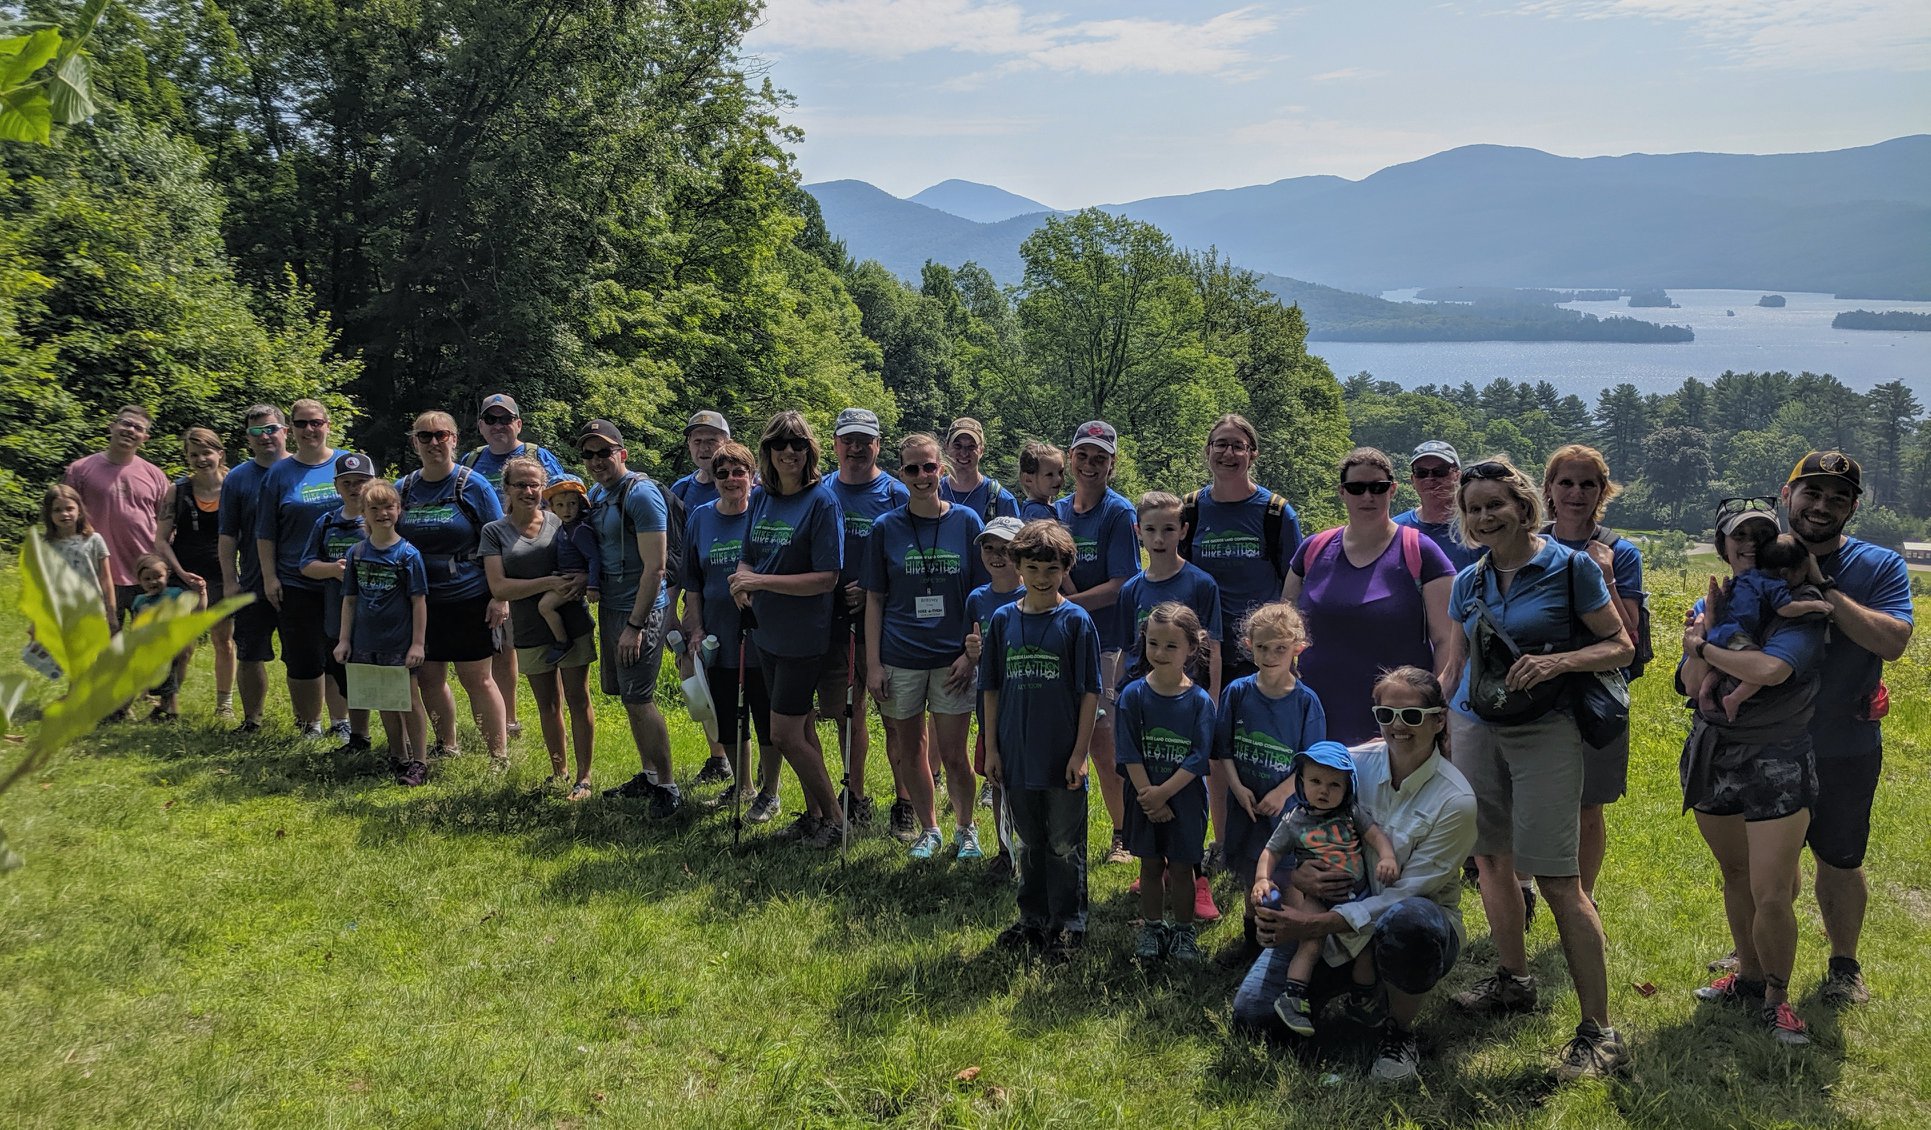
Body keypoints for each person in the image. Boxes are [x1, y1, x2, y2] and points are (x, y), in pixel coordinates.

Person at [1443, 457, 1633, 1081]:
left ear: (1524, 506)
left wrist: (1558, 662)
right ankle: (1513, 980)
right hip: (1475, 727)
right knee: (1491, 860)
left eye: (1495, 504)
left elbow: (1621, 645)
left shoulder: (1571, 567)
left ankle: (1600, 1032)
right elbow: (1456, 666)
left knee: (1557, 879)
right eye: (1473, 508)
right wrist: (1422, 719)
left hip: (1546, 731)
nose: (1484, 516)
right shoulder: (1468, 581)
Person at [1233, 668, 1478, 1086]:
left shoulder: (1456, 800)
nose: (1397, 726)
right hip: (1331, 917)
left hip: (1409, 924)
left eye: (1411, 716)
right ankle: (1359, 990)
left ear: (1439, 720)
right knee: (1253, 1019)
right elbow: (1297, 828)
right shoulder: (1349, 765)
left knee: (1410, 923)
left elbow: (1405, 894)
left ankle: (1398, 1031)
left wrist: (1311, 925)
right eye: (1385, 714)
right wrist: (1298, 877)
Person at [1677, 501, 1827, 1047]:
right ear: (1722, 546)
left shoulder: (1799, 606)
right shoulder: (1712, 601)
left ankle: (1778, 1000)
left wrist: (1703, 642)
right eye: (1738, 536)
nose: (1749, 544)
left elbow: (1771, 668)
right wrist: (1703, 643)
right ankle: (1748, 975)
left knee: (1772, 891)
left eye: (1761, 534)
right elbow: (1690, 683)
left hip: (1777, 758)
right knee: (1735, 875)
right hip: (1715, 755)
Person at [1780, 451, 1913, 1008]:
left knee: (1839, 858)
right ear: (1787, 495)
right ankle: (1756, 954)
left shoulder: (1879, 566)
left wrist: (1824, 592)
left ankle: (1844, 966)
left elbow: (1893, 642)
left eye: (1838, 498)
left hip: (1845, 742)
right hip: (1765, 740)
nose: (1822, 506)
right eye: (1811, 493)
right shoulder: (1758, 553)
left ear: (1853, 509)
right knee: (1767, 859)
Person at [1181, 414, 1303, 873]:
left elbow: (1294, 582)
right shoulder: (1191, 509)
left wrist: (1283, 645)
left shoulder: (1275, 513)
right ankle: (1222, 842)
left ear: (1252, 453)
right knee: (1216, 752)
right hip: (1204, 651)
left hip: (1263, 651)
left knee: (1264, 749)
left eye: (1237, 445)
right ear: (1207, 451)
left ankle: (1271, 847)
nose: (1228, 453)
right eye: (1220, 444)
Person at [981, 519, 1102, 962]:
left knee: (1064, 844)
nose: (1042, 577)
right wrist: (992, 748)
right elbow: (991, 688)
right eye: (1032, 568)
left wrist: (1080, 753)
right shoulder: (1003, 620)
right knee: (1028, 841)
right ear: (1018, 567)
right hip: (1016, 753)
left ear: (1065, 569)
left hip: (1061, 755)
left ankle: (1068, 923)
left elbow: (1090, 692)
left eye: (1052, 569)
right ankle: (1032, 918)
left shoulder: (1076, 622)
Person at [862, 433, 985, 859]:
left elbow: (981, 596)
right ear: (901, 474)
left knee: (954, 754)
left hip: (952, 660)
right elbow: (875, 599)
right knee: (909, 750)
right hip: (901, 656)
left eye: (929, 467)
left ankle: (966, 828)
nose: (921, 475)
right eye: (912, 468)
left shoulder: (967, 522)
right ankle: (929, 828)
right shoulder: (885, 527)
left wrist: (970, 655)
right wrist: (873, 663)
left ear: (941, 470)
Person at [1283, 447, 1455, 745]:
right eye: (1356, 488)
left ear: (1393, 490)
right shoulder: (1313, 550)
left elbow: (1447, 642)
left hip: (1399, 722)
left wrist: (1434, 712)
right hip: (1315, 717)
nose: (1367, 496)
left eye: (1378, 487)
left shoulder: (1421, 551)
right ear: (1342, 492)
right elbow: (1282, 631)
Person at [730, 411, 846, 846]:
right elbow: (748, 555)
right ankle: (814, 816)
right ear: (768, 451)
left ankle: (836, 820)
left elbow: (827, 578)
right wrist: (742, 581)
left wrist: (759, 582)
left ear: (810, 450)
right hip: (765, 632)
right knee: (802, 729)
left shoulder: (822, 502)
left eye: (798, 444)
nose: (789, 452)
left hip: (803, 636)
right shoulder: (761, 497)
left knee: (782, 733)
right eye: (779, 444)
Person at [1542, 443, 1648, 904]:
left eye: (1588, 484)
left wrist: (1604, 577)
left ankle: (1583, 901)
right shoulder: (1529, 544)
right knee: (1531, 798)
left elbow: (1629, 637)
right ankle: (1525, 892)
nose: (1576, 493)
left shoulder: (1619, 552)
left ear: (1603, 491)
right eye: (1566, 482)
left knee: (1588, 806)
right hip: (1537, 688)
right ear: (1548, 488)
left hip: (1597, 695)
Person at [1119, 489, 1224, 922]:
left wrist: (1212, 699)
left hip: (1187, 702)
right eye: (1151, 529)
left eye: (1168, 529)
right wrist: (1117, 693)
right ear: (1138, 532)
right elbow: (1127, 648)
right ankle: (1152, 868)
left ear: (1183, 530)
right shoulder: (1132, 588)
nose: (1159, 538)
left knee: (1185, 793)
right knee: (1146, 772)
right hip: (1144, 701)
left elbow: (1213, 647)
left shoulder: (1200, 583)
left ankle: (1196, 880)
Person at [1252, 741, 1400, 1035]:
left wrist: (1387, 857)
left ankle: (1361, 999)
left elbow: (1375, 835)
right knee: (1311, 943)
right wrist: (1262, 879)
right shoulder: (1294, 820)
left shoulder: (1352, 814)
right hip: (1317, 898)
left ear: (1348, 788)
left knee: (1366, 948)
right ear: (1301, 782)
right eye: (1315, 781)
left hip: (1357, 897)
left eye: (1334, 785)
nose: (1324, 791)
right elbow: (1271, 851)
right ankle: (1293, 996)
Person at [576, 419, 680, 816]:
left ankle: (668, 787)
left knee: (640, 698)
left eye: (604, 452)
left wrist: (635, 627)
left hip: (641, 612)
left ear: (622, 453)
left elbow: (656, 568)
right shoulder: (598, 494)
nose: (597, 460)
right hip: (612, 608)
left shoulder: (642, 495)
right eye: (589, 454)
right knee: (628, 699)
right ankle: (649, 775)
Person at [1214, 602, 1326, 961]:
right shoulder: (1237, 692)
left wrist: (1281, 792)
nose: (1270, 656)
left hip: (1286, 811)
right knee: (1253, 875)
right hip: (1246, 804)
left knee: (1286, 878)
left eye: (1280, 648)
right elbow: (1224, 748)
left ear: (1298, 648)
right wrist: (1236, 787)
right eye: (1262, 647)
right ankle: (1253, 940)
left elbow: (1312, 764)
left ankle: (1291, 947)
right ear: (1249, 645)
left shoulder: (1306, 702)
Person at [397, 411, 510, 769]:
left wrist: (500, 596)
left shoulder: (473, 485)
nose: (433, 442)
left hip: (468, 596)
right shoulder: (404, 489)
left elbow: (499, 542)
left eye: (441, 435)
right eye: (425, 436)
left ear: (454, 439)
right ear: (414, 442)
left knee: (477, 678)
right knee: (429, 678)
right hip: (420, 601)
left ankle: (498, 757)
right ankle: (447, 745)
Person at [481, 458, 598, 801]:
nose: (528, 491)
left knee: (578, 699)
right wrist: (549, 582)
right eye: (520, 484)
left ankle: (584, 778)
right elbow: (499, 587)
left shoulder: (560, 519)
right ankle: (559, 772)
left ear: (544, 489)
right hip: (529, 629)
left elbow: (589, 556)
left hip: (572, 622)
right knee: (547, 704)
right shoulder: (494, 532)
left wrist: (585, 578)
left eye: (534, 484)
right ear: (507, 488)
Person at [1054, 420, 1140, 866]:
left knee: (1104, 742)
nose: (1090, 465)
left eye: (1100, 458)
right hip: (1059, 643)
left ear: (1112, 464)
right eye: (1083, 456)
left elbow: (1122, 585)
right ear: (1070, 459)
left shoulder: (1118, 513)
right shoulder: (1056, 511)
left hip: (1105, 644)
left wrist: (1066, 604)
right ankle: (1065, 833)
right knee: (1062, 737)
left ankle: (1123, 835)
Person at [681, 441, 781, 821]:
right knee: (727, 718)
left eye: (739, 472)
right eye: (722, 473)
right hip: (716, 637)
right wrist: (695, 627)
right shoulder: (700, 518)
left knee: (765, 717)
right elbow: (692, 580)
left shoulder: (764, 515)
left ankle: (770, 792)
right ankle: (742, 786)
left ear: (752, 476)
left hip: (761, 633)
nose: (731, 479)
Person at [460, 393, 568, 740]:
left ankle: (550, 717)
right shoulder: (472, 460)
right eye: (491, 420)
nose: (499, 426)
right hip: (487, 562)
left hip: (533, 560)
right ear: (480, 426)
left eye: (505, 419)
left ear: (518, 424)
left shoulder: (538, 456)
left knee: (537, 643)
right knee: (500, 644)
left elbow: (561, 502)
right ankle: (507, 719)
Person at [823, 407, 909, 833]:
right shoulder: (822, 489)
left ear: (878, 445)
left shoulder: (896, 493)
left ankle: (905, 801)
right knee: (847, 712)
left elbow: (913, 557)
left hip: (885, 621)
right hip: (833, 619)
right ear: (836, 444)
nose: (855, 449)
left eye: (864, 441)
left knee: (895, 716)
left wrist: (875, 588)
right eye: (848, 441)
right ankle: (854, 796)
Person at [1116, 602, 1216, 963]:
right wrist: (1149, 797)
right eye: (1153, 643)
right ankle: (1153, 926)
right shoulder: (1133, 696)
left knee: (1182, 867)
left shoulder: (1200, 702)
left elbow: (1199, 757)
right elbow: (1128, 752)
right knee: (1150, 865)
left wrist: (1163, 794)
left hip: (1184, 801)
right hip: (1143, 799)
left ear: (1192, 647)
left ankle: (1184, 931)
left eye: (1171, 645)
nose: (1160, 652)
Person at [253, 398, 345, 738]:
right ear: (290, 429)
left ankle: (342, 722)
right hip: (296, 580)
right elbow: (265, 532)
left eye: (316, 422)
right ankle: (310, 725)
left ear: (328, 425)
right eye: (302, 423)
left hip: (342, 580)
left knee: (339, 653)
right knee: (303, 656)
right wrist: (269, 577)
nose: (309, 429)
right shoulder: (279, 473)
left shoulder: (346, 463)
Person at [334, 480, 430, 785]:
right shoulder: (357, 553)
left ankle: (420, 761)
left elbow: (418, 602)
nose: (382, 513)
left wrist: (417, 644)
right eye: (374, 508)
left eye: (388, 506)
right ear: (363, 512)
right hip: (366, 640)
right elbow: (350, 599)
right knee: (385, 699)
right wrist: (344, 640)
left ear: (399, 510)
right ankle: (398, 756)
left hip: (399, 642)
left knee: (409, 700)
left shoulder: (408, 554)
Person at [1698, 533, 1828, 720]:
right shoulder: (1775, 585)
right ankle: (1735, 698)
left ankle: (1705, 691)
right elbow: (1786, 609)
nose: (1805, 577)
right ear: (1785, 573)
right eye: (1803, 573)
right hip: (1737, 634)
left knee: (1723, 666)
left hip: (1721, 630)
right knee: (1754, 665)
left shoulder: (1748, 576)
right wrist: (1814, 605)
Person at [64, 404, 169, 631]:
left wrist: (164, 564)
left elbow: (167, 523)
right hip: (98, 570)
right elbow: (65, 520)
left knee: (149, 641)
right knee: (104, 639)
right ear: (112, 426)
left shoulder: (156, 475)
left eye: (138, 428)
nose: (131, 430)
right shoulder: (79, 470)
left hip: (146, 572)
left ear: (145, 438)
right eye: (126, 423)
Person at [151, 426, 233, 716]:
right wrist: (180, 572)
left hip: (222, 575)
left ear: (219, 453)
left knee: (223, 641)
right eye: (194, 454)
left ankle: (224, 706)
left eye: (206, 453)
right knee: (181, 644)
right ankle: (168, 704)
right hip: (184, 576)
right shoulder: (178, 490)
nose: (201, 459)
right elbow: (161, 539)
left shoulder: (234, 487)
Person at [298, 452, 376, 753]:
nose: (354, 488)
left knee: (386, 680)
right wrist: (332, 569)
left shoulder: (383, 517)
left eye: (361, 481)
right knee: (347, 679)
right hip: (338, 617)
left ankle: (401, 741)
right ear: (337, 487)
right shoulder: (326, 522)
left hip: (380, 616)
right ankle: (358, 736)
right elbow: (306, 565)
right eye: (347, 483)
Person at [963, 516, 1027, 877]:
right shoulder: (977, 599)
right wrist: (971, 653)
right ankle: (1005, 852)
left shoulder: (1033, 594)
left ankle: (1031, 849)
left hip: (1028, 702)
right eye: (989, 548)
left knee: (1029, 780)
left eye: (1006, 549)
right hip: (990, 705)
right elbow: (971, 647)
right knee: (997, 776)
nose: (997, 556)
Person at [220, 404, 289, 733]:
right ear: (248, 438)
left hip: (300, 579)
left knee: (309, 655)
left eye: (271, 429)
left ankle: (317, 724)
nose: (265, 437)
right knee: (249, 653)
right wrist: (229, 581)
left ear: (285, 431)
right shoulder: (237, 478)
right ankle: (252, 720)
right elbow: (227, 535)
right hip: (251, 581)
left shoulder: (301, 469)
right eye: (256, 431)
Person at [127, 553, 203, 720]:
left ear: (167, 575)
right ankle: (157, 708)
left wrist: (201, 592)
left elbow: (196, 610)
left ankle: (172, 712)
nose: (153, 582)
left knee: (170, 679)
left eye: (158, 577)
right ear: (139, 580)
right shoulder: (139, 601)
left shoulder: (175, 594)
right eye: (147, 579)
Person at [535, 479, 600, 665]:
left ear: (580, 504)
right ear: (553, 508)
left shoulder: (580, 529)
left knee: (545, 606)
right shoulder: (565, 527)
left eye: (572, 504)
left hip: (572, 579)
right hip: (564, 574)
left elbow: (594, 557)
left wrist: (593, 586)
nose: (567, 510)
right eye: (560, 505)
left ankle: (563, 642)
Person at [1395, 441, 1482, 572]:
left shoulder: (1478, 525)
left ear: (1457, 476)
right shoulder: (1396, 530)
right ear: (1413, 480)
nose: (1430, 478)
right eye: (1421, 472)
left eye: (1440, 471)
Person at [41, 484, 114, 623]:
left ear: (79, 510)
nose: (64, 514)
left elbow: (105, 578)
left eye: (69, 508)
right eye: (57, 510)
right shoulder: (46, 545)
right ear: (49, 514)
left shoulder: (94, 540)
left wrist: (111, 613)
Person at [939, 417, 1018, 522]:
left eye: (971, 447)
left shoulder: (1001, 500)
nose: (964, 453)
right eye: (957, 446)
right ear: (946, 447)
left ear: (981, 451)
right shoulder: (933, 493)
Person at [670, 411, 730, 511]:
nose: (703, 448)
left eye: (711, 441)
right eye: (697, 441)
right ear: (689, 444)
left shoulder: (742, 487)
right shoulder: (680, 489)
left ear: (727, 444)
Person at [1016, 440, 1063, 522]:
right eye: (1049, 474)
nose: (1058, 478)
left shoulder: (1037, 508)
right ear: (1028, 479)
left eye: (1060, 472)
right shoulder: (1038, 513)